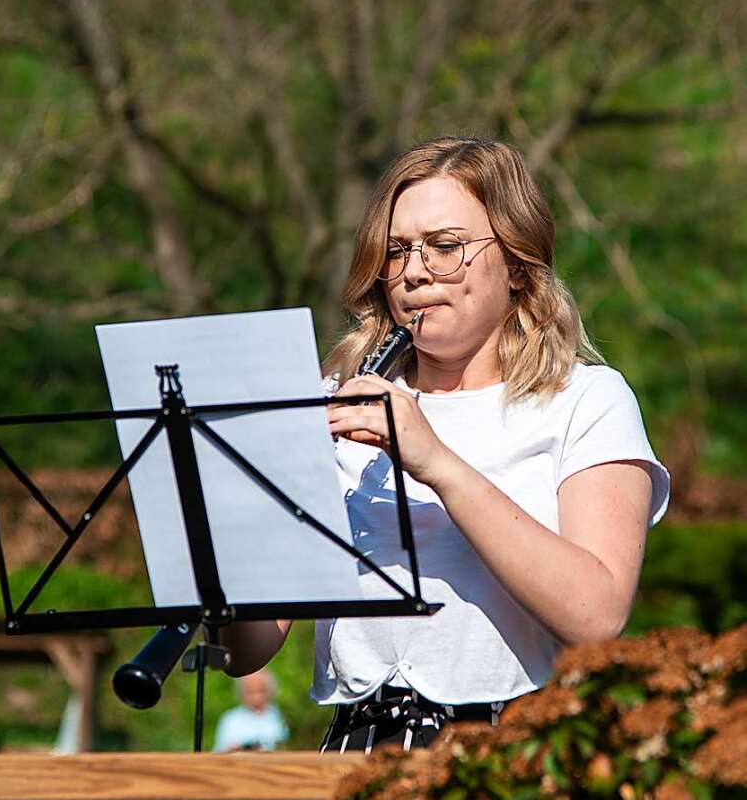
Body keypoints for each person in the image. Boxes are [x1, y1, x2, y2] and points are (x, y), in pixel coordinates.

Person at [220, 136, 670, 754]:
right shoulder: (338, 400)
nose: (414, 271)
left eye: (445, 247)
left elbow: (597, 616)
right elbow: (250, 650)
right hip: (356, 750)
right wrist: (225, 526)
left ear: (515, 263)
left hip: (512, 751)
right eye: (398, 250)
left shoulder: (585, 400)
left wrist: (437, 464)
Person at [212, 666, 288, 752]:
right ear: (241, 692)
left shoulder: (282, 717)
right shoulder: (231, 720)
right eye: (250, 691)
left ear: (270, 690)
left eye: (261, 690)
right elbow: (218, 754)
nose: (256, 697)